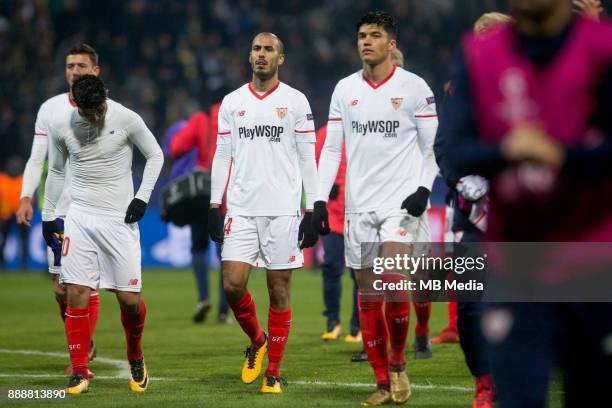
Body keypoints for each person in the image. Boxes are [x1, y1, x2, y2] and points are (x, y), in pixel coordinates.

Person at [442, 0, 612, 406]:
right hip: (514, 264)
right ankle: (483, 385)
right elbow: (456, 149)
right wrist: (507, 150)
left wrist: (560, 156)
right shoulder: (479, 54)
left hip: (592, 263)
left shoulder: (603, 49)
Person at [313, 11, 438, 406]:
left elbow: (432, 148)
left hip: (401, 205)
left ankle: (399, 364)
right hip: (358, 207)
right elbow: (332, 148)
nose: (366, 41)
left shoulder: (415, 87)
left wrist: (422, 188)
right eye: (362, 35)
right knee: (368, 295)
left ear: (392, 43)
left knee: (393, 283)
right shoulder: (344, 89)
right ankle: (383, 381)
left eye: (375, 35)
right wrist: (317, 199)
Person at [208, 32, 319, 394]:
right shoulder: (232, 102)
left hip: (283, 212)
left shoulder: (296, 101)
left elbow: (307, 157)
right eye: (256, 48)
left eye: (269, 49)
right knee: (232, 284)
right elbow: (223, 154)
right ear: (249, 55)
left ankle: (273, 373)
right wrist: (214, 204)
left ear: (280, 58)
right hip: (240, 209)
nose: (261, 54)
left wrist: (314, 207)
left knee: (279, 289)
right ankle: (258, 340)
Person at [42, 74, 163, 394]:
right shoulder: (60, 125)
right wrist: (48, 215)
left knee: (129, 301)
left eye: (98, 109)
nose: (95, 116)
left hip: (118, 219)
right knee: (76, 292)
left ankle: (135, 356)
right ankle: (79, 370)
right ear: (76, 103)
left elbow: (155, 155)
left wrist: (142, 197)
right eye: (88, 111)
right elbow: (55, 171)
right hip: (79, 217)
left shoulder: (126, 118)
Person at [435, 11, 512, 408]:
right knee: (468, 304)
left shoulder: (529, 82)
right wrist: (459, 180)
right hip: (474, 213)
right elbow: (443, 145)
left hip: (521, 210)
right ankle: (483, 382)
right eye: (479, 33)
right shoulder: (456, 92)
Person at [15, 43, 102, 375]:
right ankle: (85, 344)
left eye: (81, 66)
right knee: (60, 289)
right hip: (58, 211)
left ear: (96, 71)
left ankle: (78, 358)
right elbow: (38, 156)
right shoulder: (49, 109)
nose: (74, 72)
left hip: (94, 209)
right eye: (69, 66)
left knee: (84, 286)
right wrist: (26, 196)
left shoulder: (109, 109)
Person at [166, 112, 230, 324]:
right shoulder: (243, 113)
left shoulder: (202, 120)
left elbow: (176, 147)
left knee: (198, 248)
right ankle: (223, 311)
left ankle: (203, 298)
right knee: (226, 256)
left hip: (205, 193)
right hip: (232, 195)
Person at [315, 125, 361, 344]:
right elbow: (310, 165)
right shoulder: (325, 133)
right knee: (332, 265)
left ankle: (357, 325)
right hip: (333, 214)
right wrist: (321, 189)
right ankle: (332, 321)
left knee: (360, 271)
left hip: (360, 211)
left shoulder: (363, 127)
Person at [0, 156, 28, 269]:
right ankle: (2, 260)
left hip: (20, 214)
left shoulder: (23, 179)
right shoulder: (2, 179)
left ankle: (24, 262)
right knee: (4, 238)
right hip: (6, 215)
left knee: (23, 239)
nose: (14, 169)